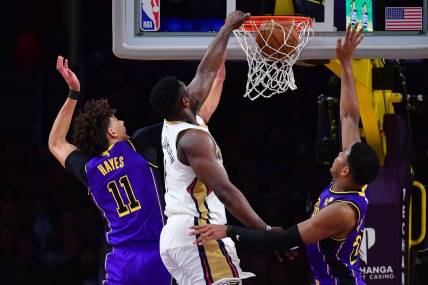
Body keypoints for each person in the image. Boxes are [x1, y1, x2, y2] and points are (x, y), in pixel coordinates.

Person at [190, 24, 381, 285]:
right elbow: (348, 116)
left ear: (346, 170)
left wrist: (227, 230)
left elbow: (284, 239)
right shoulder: (352, 179)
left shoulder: (342, 212)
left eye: (342, 156)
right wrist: (346, 63)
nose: (338, 153)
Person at [48, 55, 225, 285]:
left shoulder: (89, 168)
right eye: (117, 120)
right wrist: (218, 77)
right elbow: (196, 117)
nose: (122, 122)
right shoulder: (138, 145)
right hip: (158, 254)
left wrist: (73, 92)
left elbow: (56, 143)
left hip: (120, 259)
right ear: (111, 133)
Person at [149, 10, 272, 285]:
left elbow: (205, 71)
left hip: (180, 234)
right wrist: (265, 232)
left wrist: (226, 30)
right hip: (199, 231)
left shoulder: (176, 121)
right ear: (184, 102)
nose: (193, 89)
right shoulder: (193, 140)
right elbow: (227, 192)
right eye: (187, 90)